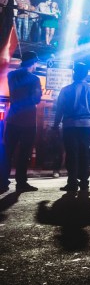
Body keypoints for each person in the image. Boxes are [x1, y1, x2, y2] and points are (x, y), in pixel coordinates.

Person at [53, 62, 90, 194]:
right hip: (86, 126)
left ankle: (72, 182)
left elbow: (59, 110)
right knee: (84, 154)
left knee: (71, 154)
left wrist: (56, 125)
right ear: (86, 74)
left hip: (69, 126)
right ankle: (84, 183)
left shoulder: (65, 90)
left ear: (74, 73)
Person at [1, 51, 42, 193]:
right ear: (32, 62)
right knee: (24, 153)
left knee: (8, 151)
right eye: (35, 62)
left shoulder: (11, 75)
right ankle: (21, 182)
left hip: (12, 118)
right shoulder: (34, 79)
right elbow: (36, 99)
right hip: (28, 120)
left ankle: (2, 180)